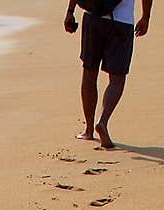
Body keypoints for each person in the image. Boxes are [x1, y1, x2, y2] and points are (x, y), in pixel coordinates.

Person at [64, 1, 152, 149]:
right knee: (117, 79)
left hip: (92, 18)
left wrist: (70, 12)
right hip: (121, 22)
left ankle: (89, 130)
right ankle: (103, 122)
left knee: (89, 73)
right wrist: (145, 17)